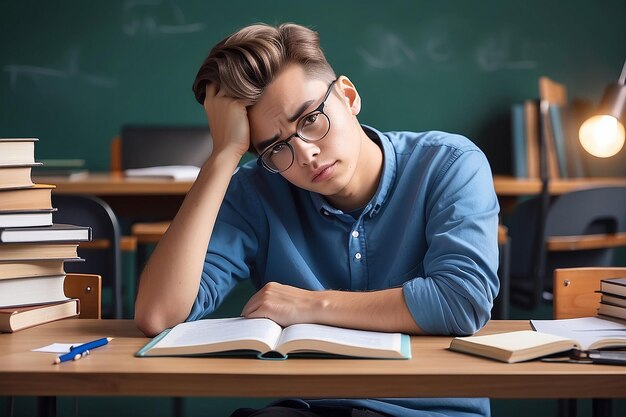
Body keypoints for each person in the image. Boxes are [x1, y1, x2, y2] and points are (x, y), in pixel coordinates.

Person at [135, 22, 500, 417]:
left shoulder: (449, 163)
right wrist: (224, 155)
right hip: (312, 409)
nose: (306, 154)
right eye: (276, 147)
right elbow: (158, 315)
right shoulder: (257, 191)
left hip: (433, 412)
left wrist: (310, 305)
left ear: (348, 95)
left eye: (310, 119)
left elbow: (462, 301)